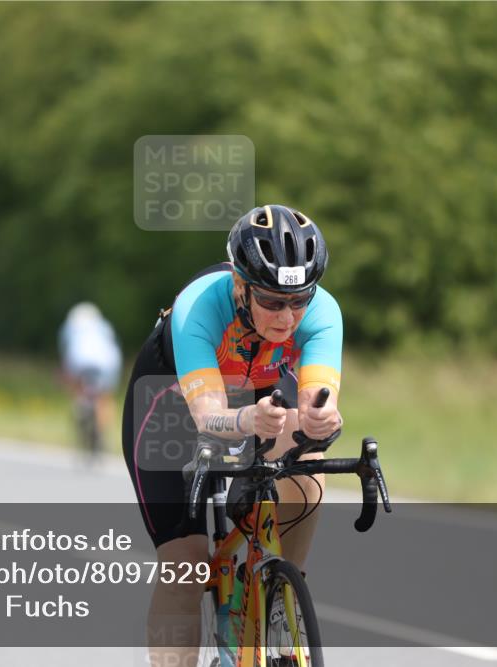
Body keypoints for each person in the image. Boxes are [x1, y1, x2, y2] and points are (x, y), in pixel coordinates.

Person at [121, 205, 343, 665]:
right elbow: (208, 416)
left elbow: (317, 398)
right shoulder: (199, 308)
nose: (288, 317)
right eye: (273, 302)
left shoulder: (322, 312)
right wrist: (247, 422)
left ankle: (283, 594)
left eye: (299, 300)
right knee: (186, 562)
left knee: (307, 458)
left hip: (260, 388)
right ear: (240, 286)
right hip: (171, 402)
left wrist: (322, 419)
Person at [58, 302, 123, 458]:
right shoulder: (103, 325)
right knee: (105, 397)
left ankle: (80, 407)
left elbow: (65, 351)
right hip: (108, 361)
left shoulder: (69, 326)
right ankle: (102, 430)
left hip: (79, 360)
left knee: (77, 387)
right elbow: (113, 345)